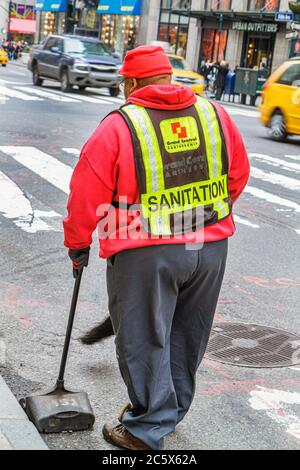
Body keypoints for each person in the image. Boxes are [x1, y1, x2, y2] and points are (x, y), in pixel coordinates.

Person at [63, 45, 250, 451]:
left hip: (145, 250)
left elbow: (85, 193)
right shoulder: (213, 114)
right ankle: (168, 411)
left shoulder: (119, 125)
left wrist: (78, 243)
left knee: (144, 336)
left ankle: (146, 427)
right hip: (211, 247)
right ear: (168, 77)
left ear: (130, 83)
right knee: (187, 334)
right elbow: (238, 174)